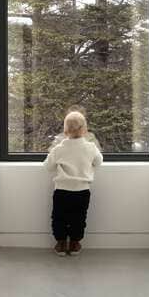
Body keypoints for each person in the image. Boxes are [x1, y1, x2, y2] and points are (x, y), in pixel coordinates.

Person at [45, 110, 102, 257]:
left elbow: (48, 167)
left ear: (65, 130)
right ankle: (75, 243)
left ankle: (61, 243)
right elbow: (98, 161)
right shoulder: (90, 147)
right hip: (82, 191)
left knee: (59, 218)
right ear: (85, 129)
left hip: (62, 191)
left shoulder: (59, 149)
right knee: (79, 218)